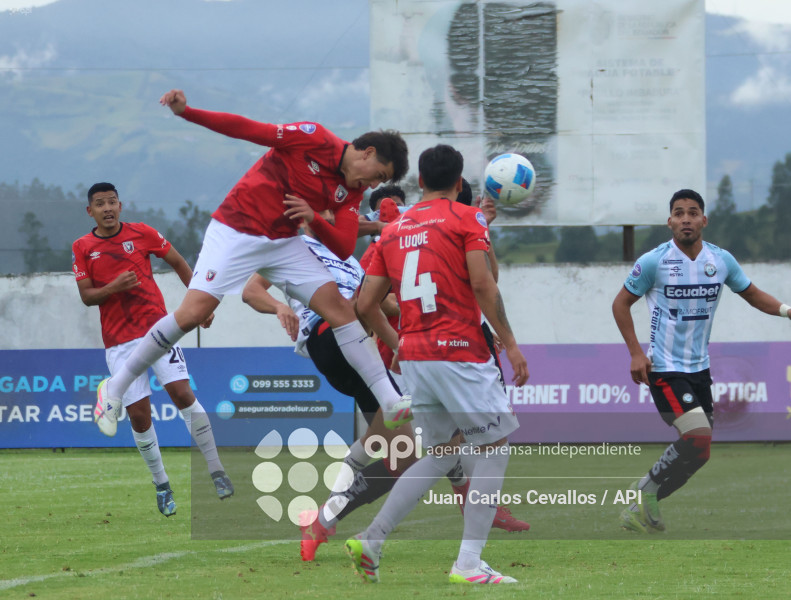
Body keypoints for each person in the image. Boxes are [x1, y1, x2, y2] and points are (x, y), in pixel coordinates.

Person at [94, 89, 413, 436]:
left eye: (381, 182)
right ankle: (114, 388)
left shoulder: (351, 189)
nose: (374, 185)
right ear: (367, 152)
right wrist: (187, 112)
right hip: (235, 230)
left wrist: (314, 219)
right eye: (379, 175)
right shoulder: (315, 138)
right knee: (192, 315)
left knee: (340, 310)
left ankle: (389, 400)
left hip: (282, 242)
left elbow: (344, 245)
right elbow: (248, 129)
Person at [242, 208, 528, 563]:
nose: (331, 216)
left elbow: (382, 304)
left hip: (358, 353)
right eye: (324, 210)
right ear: (306, 218)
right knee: (431, 431)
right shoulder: (294, 246)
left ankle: (323, 520)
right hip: (330, 337)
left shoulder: (348, 261)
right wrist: (278, 308)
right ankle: (467, 504)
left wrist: (410, 336)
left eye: (334, 211)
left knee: (404, 456)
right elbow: (251, 290)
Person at [346, 144, 529, 585]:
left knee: (443, 454)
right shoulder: (467, 218)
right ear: (459, 181)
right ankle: (468, 564)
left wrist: (399, 343)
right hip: (459, 353)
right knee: (494, 447)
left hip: (418, 360)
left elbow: (365, 304)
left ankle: (372, 540)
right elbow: (484, 284)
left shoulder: (393, 229)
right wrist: (511, 344)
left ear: (421, 181)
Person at [612, 189, 791, 533]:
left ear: (704, 220)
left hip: (699, 370)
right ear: (669, 222)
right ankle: (644, 489)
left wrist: (786, 310)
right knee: (696, 436)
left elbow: (753, 294)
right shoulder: (654, 261)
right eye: (679, 213)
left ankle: (640, 507)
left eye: (693, 213)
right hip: (664, 369)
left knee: (702, 452)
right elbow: (620, 304)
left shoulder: (720, 260)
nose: (686, 219)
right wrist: (636, 352)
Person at [72, 182, 233, 517]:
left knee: (182, 394)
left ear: (120, 205)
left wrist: (200, 303)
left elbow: (179, 262)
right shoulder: (83, 247)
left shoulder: (142, 233)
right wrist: (114, 287)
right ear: (90, 211)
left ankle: (217, 470)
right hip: (119, 342)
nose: (107, 208)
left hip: (157, 331)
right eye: (100, 204)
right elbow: (87, 297)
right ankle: (162, 484)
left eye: (112, 202)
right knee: (139, 415)